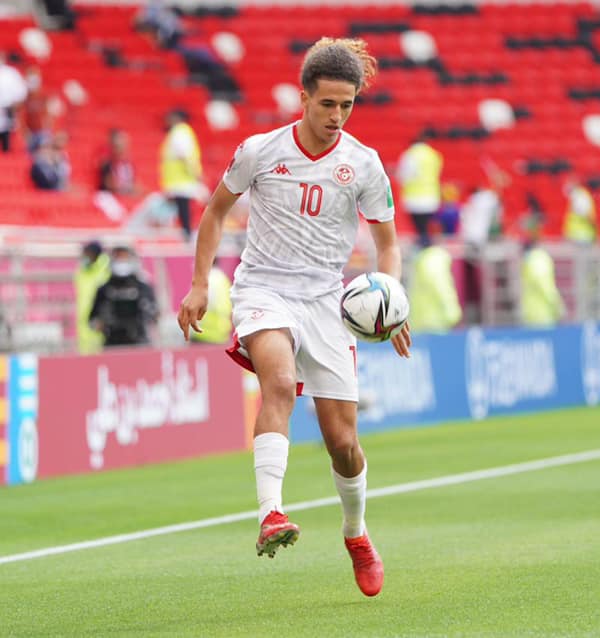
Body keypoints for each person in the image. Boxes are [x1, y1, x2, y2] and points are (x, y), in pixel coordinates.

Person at [176, 37, 411, 598]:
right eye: (327, 104)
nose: (336, 116)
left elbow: (387, 244)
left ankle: (356, 533)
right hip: (264, 290)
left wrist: (392, 300)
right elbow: (213, 214)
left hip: (328, 303)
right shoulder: (260, 151)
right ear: (303, 96)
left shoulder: (364, 165)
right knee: (278, 383)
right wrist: (198, 285)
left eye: (347, 106)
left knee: (343, 443)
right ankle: (271, 513)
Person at [89, 246, 159, 347]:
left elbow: (155, 314)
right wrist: (101, 323)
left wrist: (146, 314)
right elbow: (92, 320)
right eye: (118, 257)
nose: (121, 261)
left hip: (139, 342)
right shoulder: (104, 289)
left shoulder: (143, 287)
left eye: (124, 257)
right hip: (112, 343)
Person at [160, 109, 204, 240]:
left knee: (184, 210)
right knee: (182, 210)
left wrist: (196, 174)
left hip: (182, 181)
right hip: (181, 181)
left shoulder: (180, 132)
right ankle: (186, 233)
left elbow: (184, 155)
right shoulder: (180, 132)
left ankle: (187, 234)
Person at [396, 133, 443, 247]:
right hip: (432, 196)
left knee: (420, 231)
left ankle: (424, 251)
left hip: (414, 198)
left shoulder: (410, 155)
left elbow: (403, 175)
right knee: (428, 229)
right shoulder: (434, 155)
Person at [407, 236, 462, 333]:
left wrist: (452, 314)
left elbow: (442, 289)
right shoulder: (426, 262)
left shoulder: (430, 262)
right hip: (430, 323)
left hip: (433, 324)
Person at [520, 226, 565, 327]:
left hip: (536, 314)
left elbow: (544, 286)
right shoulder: (538, 260)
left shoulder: (535, 260)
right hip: (543, 314)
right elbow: (546, 286)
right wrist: (557, 306)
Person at [73, 241, 111, 354]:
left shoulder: (107, 271)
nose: (85, 256)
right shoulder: (81, 272)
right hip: (84, 325)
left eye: (87, 253)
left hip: (101, 326)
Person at [190, 258, 233, 344]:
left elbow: (202, 302)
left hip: (204, 333)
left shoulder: (207, 279)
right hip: (221, 332)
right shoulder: (222, 278)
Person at [0, 53, 27, 153]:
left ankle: (6, 150)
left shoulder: (11, 73)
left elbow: (21, 91)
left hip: (8, 107)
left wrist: (15, 104)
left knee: (7, 132)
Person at [98, 129, 138, 195]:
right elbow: (108, 184)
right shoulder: (107, 163)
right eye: (119, 146)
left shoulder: (129, 164)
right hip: (110, 197)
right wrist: (127, 189)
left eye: (124, 145)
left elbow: (136, 183)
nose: (122, 149)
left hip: (126, 196)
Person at [562, 178, 597, 244]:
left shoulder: (580, 196)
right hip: (579, 234)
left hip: (581, 235)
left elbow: (585, 214)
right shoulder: (580, 195)